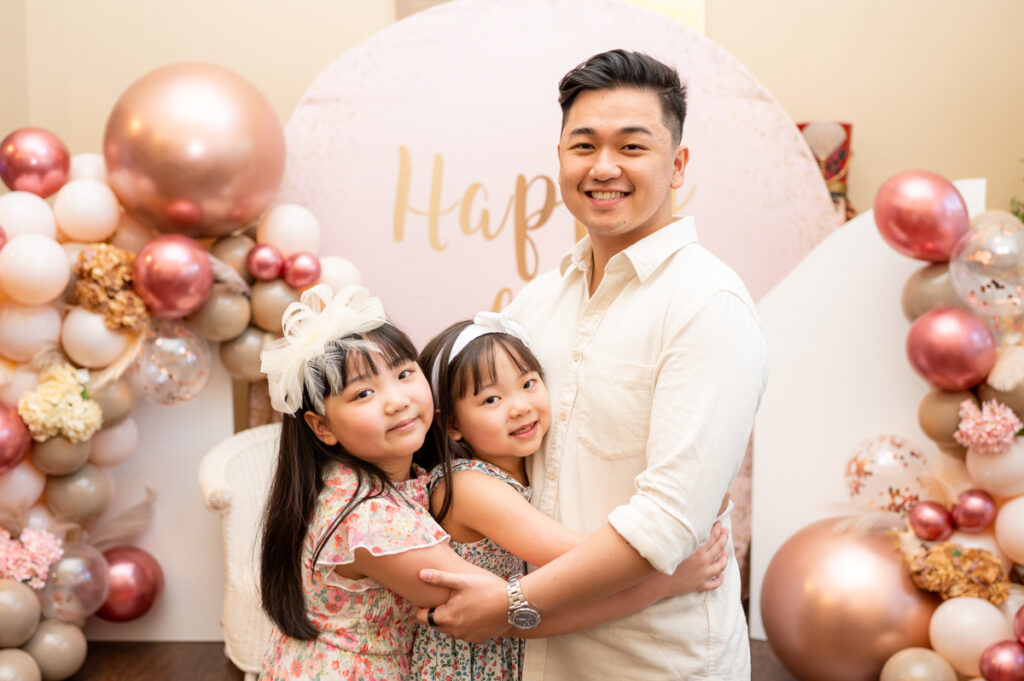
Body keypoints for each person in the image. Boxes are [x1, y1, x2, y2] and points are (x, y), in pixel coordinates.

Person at [416, 49, 769, 680]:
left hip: (655, 660)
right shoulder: (535, 303)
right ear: (560, 159)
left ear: (678, 164)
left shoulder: (707, 305)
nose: (603, 167)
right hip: (536, 659)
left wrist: (510, 607)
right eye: (584, 146)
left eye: (632, 147)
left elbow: (667, 522)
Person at [408, 314, 731, 680]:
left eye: (529, 383)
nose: (520, 406)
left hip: (505, 644)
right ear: (452, 425)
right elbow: (585, 564)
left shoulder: (518, 471)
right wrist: (664, 579)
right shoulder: (467, 487)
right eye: (492, 399)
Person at [257, 283, 491, 680]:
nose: (397, 400)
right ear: (322, 426)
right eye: (364, 392)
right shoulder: (370, 520)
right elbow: (488, 604)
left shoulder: (344, 479)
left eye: (403, 373)